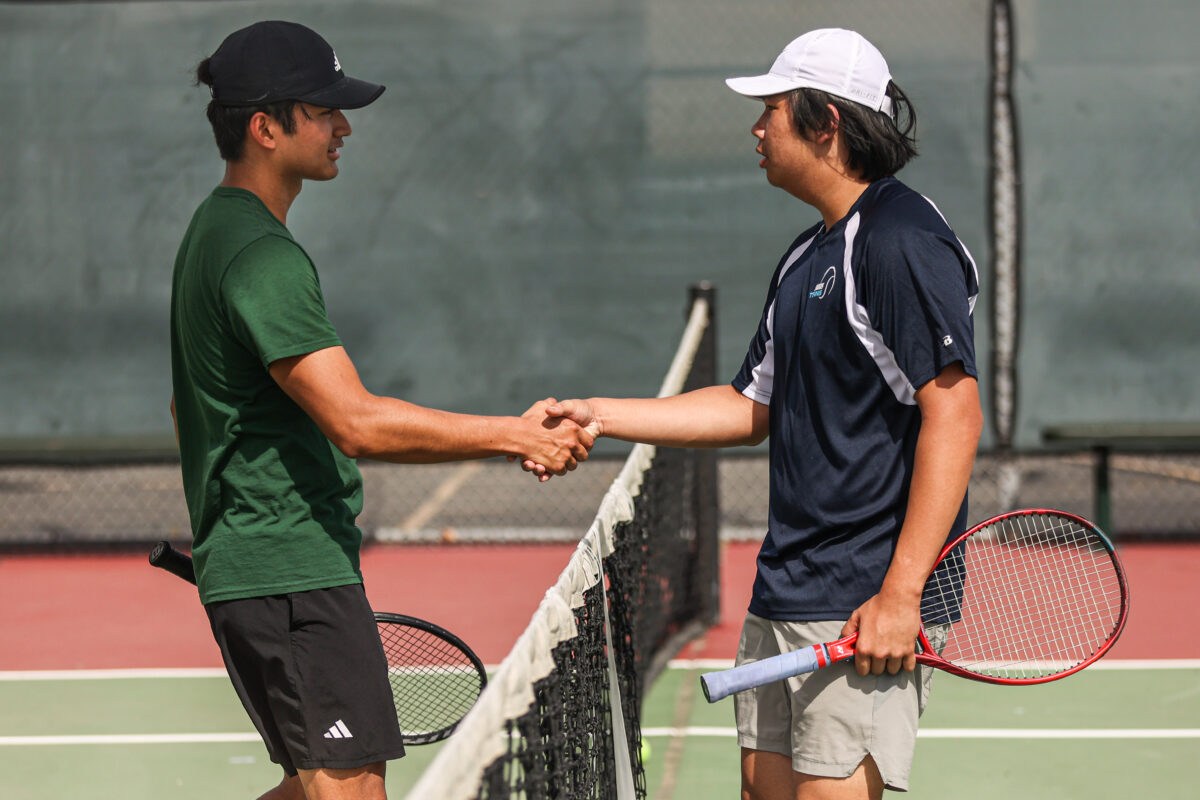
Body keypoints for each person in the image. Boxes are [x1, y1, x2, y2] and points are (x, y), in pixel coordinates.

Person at [538, 28, 983, 800]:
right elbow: (749, 406)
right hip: (789, 584)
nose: (756, 128)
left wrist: (901, 594)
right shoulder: (808, 255)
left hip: (862, 593)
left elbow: (955, 411)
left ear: (826, 123)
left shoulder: (899, 239)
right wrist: (602, 414)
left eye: (771, 109)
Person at [168, 21, 593, 800]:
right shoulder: (260, 255)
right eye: (324, 111)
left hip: (274, 563)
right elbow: (355, 422)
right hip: (287, 567)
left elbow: (184, 404)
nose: (344, 127)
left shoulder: (212, 231)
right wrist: (512, 434)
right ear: (265, 127)